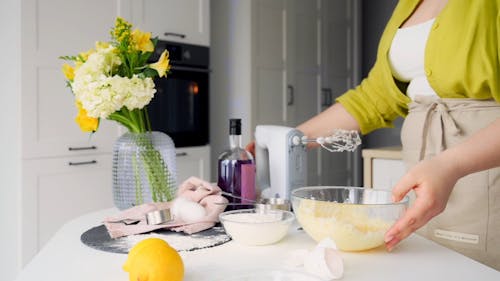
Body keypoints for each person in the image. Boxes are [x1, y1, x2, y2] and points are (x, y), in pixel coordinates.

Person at [249, 0, 500, 270]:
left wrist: (450, 165)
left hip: (482, 174)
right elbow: (375, 96)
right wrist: (290, 142)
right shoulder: (408, 4)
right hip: (424, 173)